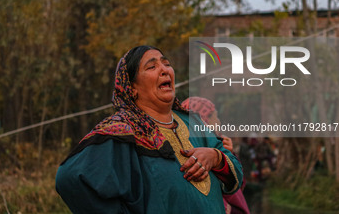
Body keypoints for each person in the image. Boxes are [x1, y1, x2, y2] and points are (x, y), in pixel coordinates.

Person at [55, 46, 243, 214]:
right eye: (151, 67)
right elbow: (69, 179)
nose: (164, 70)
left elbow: (236, 170)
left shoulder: (192, 121)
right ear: (132, 88)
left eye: (166, 64)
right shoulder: (124, 131)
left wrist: (216, 158)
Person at [182, 97, 250, 214]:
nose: (219, 122)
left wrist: (229, 156)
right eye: (215, 117)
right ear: (203, 120)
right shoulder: (195, 149)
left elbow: (237, 185)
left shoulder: (218, 143)